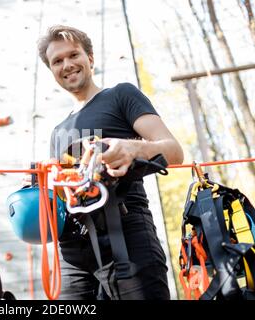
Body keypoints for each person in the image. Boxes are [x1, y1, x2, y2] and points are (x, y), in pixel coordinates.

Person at [36, 25, 184, 300]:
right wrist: (39, 185)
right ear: (52, 71)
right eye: (57, 61)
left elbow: (174, 152)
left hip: (127, 236)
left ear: (90, 58)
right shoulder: (58, 131)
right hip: (73, 251)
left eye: (73, 55)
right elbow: (60, 196)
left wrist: (132, 147)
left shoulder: (121, 96)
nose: (67, 64)